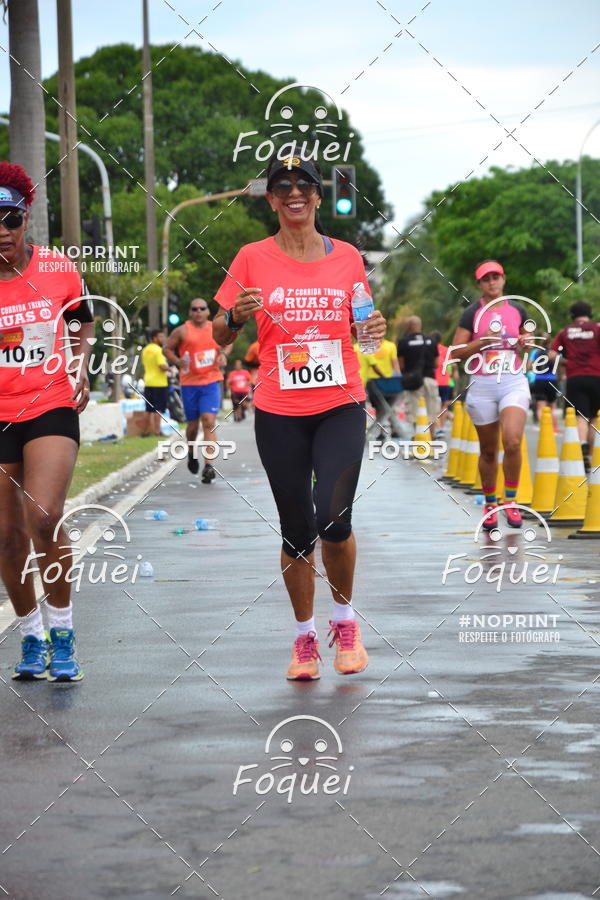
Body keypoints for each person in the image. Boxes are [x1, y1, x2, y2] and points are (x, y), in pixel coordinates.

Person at [213, 155, 386, 681]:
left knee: (334, 518)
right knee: (296, 530)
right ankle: (305, 638)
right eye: (282, 186)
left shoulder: (349, 258)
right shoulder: (250, 257)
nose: (294, 193)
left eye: (303, 185)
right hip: (279, 409)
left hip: (340, 403)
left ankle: (346, 624)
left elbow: (363, 329)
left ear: (317, 196)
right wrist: (233, 317)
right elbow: (221, 336)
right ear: (270, 198)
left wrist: (372, 328)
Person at [0, 162, 94, 681]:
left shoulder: (58, 269)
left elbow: (81, 321)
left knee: (43, 514)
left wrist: (79, 367)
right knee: (7, 536)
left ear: (26, 217)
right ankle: (31, 635)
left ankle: (63, 631)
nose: (2, 231)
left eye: (10, 219)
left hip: (49, 403)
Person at [449, 260, 532, 530]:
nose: (492, 282)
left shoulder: (518, 308)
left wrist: (524, 342)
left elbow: (527, 341)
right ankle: (490, 503)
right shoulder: (472, 312)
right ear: (479, 284)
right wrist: (479, 342)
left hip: (512, 381)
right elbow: (455, 352)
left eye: (496, 277)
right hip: (482, 385)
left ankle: (510, 500)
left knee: (513, 441)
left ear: (504, 280)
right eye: (487, 279)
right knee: (488, 450)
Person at [165, 298, 225, 483]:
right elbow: (166, 349)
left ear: (208, 311)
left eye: (202, 308)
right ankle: (191, 451)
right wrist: (177, 361)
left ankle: (208, 466)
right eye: (194, 309)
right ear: (190, 312)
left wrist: (223, 355)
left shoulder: (215, 328)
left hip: (211, 381)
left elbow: (228, 341)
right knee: (193, 426)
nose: (198, 311)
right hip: (189, 383)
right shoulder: (182, 330)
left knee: (208, 421)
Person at [550, 301, 600, 472]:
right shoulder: (597, 328)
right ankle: (593, 457)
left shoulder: (565, 332)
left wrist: (568, 361)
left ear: (572, 315)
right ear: (590, 314)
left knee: (580, 416)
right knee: (594, 417)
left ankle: (583, 446)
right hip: (596, 377)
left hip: (575, 377)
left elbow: (551, 355)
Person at [397, 317, 439, 440]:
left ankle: (420, 437)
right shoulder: (431, 341)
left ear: (408, 326)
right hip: (430, 379)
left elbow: (401, 365)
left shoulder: (404, 342)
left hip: (413, 381)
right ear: (420, 325)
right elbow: (436, 364)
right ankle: (431, 436)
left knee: (416, 410)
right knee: (431, 409)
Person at [355, 338, 402, 439]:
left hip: (359, 383)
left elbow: (394, 362)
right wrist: (394, 377)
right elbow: (375, 367)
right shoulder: (367, 350)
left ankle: (389, 430)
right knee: (382, 407)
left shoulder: (353, 348)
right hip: (373, 381)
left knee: (384, 407)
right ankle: (379, 431)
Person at [528, 335, 559, 433]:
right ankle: (554, 428)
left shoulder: (535, 352)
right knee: (552, 406)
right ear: (551, 342)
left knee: (540, 406)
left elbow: (528, 366)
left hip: (539, 379)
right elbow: (559, 365)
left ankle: (543, 428)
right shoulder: (554, 353)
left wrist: (536, 368)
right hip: (552, 380)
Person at [141, 329, 168, 436]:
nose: (163, 339)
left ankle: (145, 431)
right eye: (161, 336)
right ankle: (157, 431)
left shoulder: (146, 350)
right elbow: (161, 366)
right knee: (159, 409)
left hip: (148, 382)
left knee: (148, 409)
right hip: (159, 383)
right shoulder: (159, 350)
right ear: (154, 338)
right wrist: (171, 369)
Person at [431, 330, 453, 436]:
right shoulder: (446, 350)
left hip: (434, 381)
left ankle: (437, 428)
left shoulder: (430, 349)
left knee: (434, 406)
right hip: (445, 382)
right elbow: (452, 366)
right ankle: (442, 428)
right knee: (444, 406)